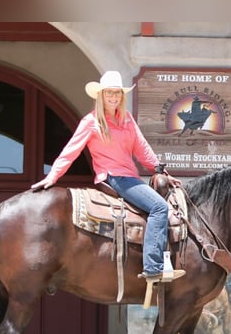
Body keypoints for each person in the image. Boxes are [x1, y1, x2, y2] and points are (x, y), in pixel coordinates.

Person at [31, 70, 183, 281]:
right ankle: (153, 266)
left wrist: (161, 171)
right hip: (113, 177)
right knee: (159, 207)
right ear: (101, 95)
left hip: (130, 178)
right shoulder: (91, 122)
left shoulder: (127, 119)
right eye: (109, 93)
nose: (113, 97)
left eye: (117, 93)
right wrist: (52, 177)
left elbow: (142, 149)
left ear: (122, 96)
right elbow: (71, 151)